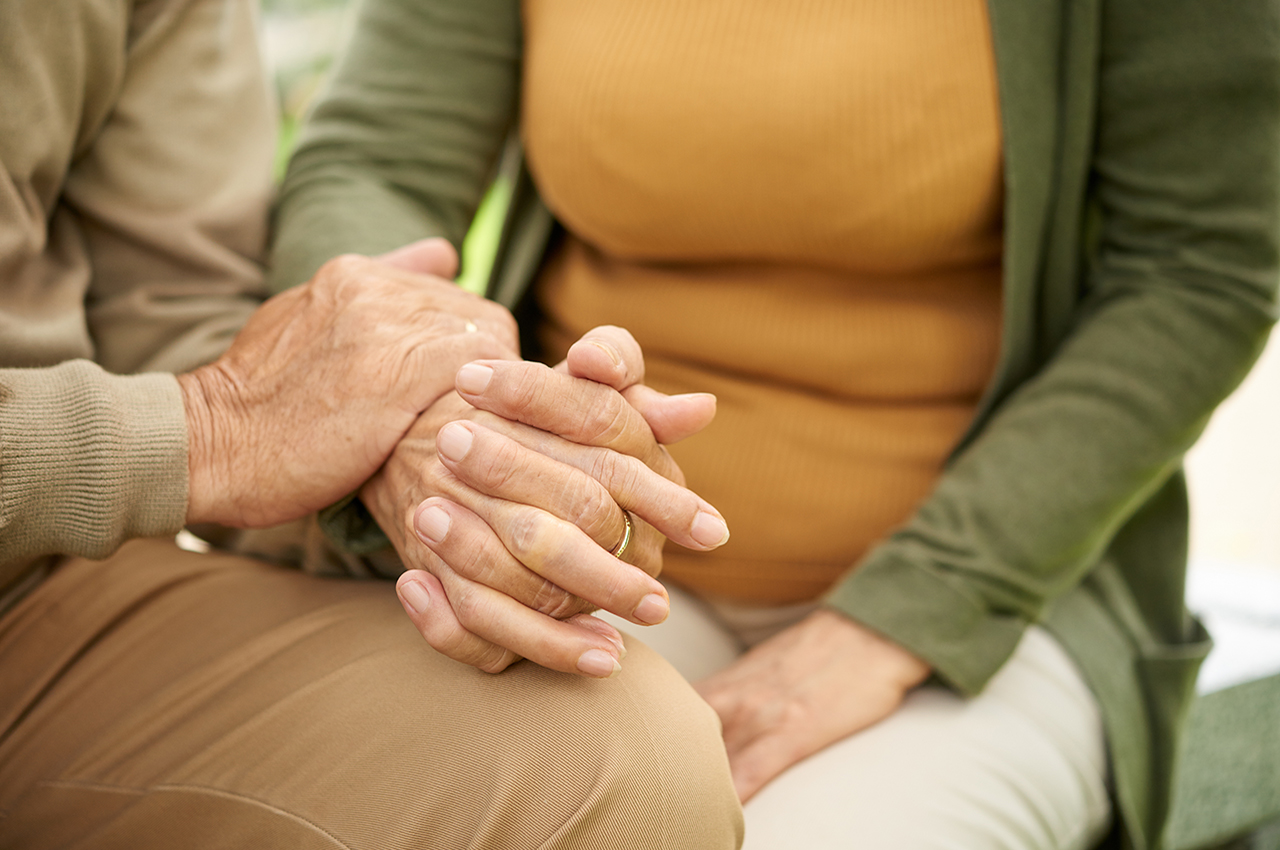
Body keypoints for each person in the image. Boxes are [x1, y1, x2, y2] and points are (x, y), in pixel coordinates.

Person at [268, 1, 1280, 849]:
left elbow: (1194, 271)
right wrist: (431, 419)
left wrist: (914, 607)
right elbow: (374, 162)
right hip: (583, 558)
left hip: (990, 610)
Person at [0, 0, 745, 845]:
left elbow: (177, 318)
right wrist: (206, 430)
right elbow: (216, 402)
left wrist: (434, 442)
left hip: (37, 595)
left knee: (617, 763)